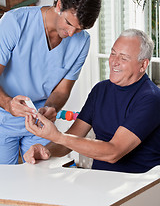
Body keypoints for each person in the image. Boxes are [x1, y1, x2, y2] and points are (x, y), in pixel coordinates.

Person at [24, 29, 160, 173]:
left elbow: (113, 152)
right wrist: (45, 150)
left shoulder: (151, 99)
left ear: (143, 65)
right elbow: (70, 140)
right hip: (98, 181)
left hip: (138, 187)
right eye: (113, 53)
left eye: (123, 58)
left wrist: (57, 136)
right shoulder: (101, 90)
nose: (114, 62)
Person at [0, 0, 101, 164]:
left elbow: (62, 90)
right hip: (3, 118)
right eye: (69, 23)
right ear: (59, 5)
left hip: (39, 122)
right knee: (5, 183)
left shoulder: (82, 42)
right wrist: (8, 104)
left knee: (41, 181)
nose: (71, 33)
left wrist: (52, 107)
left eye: (79, 29)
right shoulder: (14, 22)